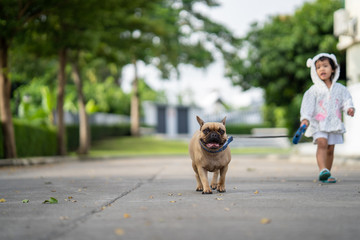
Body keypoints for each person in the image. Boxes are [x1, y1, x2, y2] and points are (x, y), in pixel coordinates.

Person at [300, 53, 355, 183]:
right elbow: (307, 106)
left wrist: (349, 109)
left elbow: (346, 101)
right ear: (314, 71)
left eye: (325, 66)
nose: (322, 69)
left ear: (333, 69)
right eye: (318, 67)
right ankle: (322, 169)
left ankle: (327, 173)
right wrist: (305, 118)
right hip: (318, 123)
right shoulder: (313, 90)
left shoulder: (340, 89)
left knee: (330, 149)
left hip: (334, 123)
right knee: (322, 144)